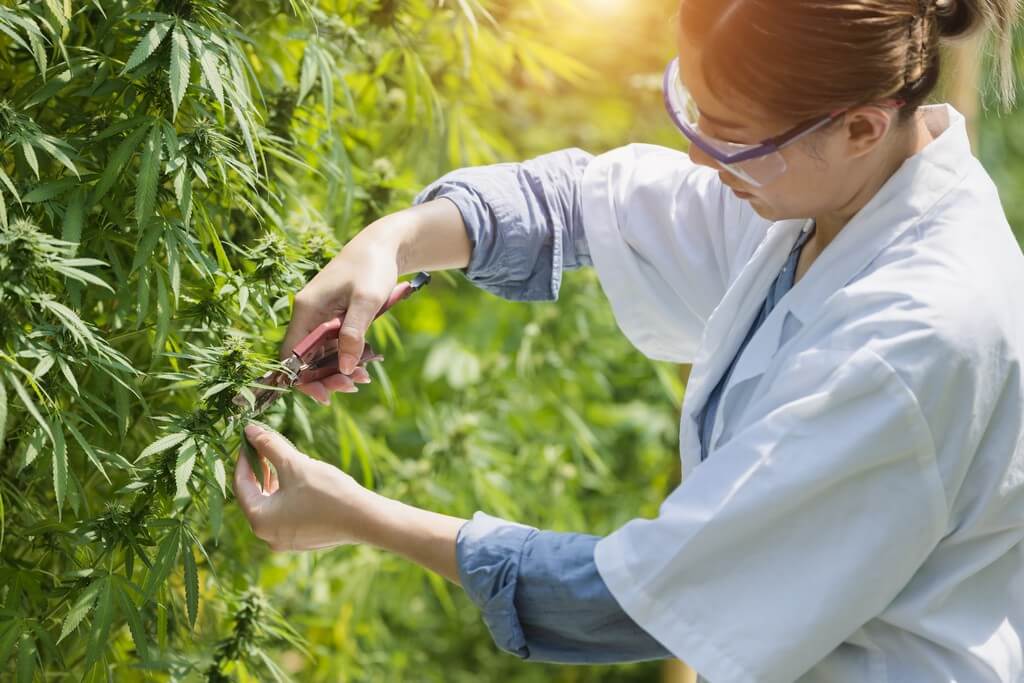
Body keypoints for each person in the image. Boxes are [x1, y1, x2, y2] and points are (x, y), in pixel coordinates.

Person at [232, 1, 1024, 680]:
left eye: (731, 136)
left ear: (859, 127)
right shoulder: (831, 191)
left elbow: (641, 598)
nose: (699, 156)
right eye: (693, 110)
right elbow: (578, 203)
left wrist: (356, 515)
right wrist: (392, 241)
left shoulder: (914, 339)